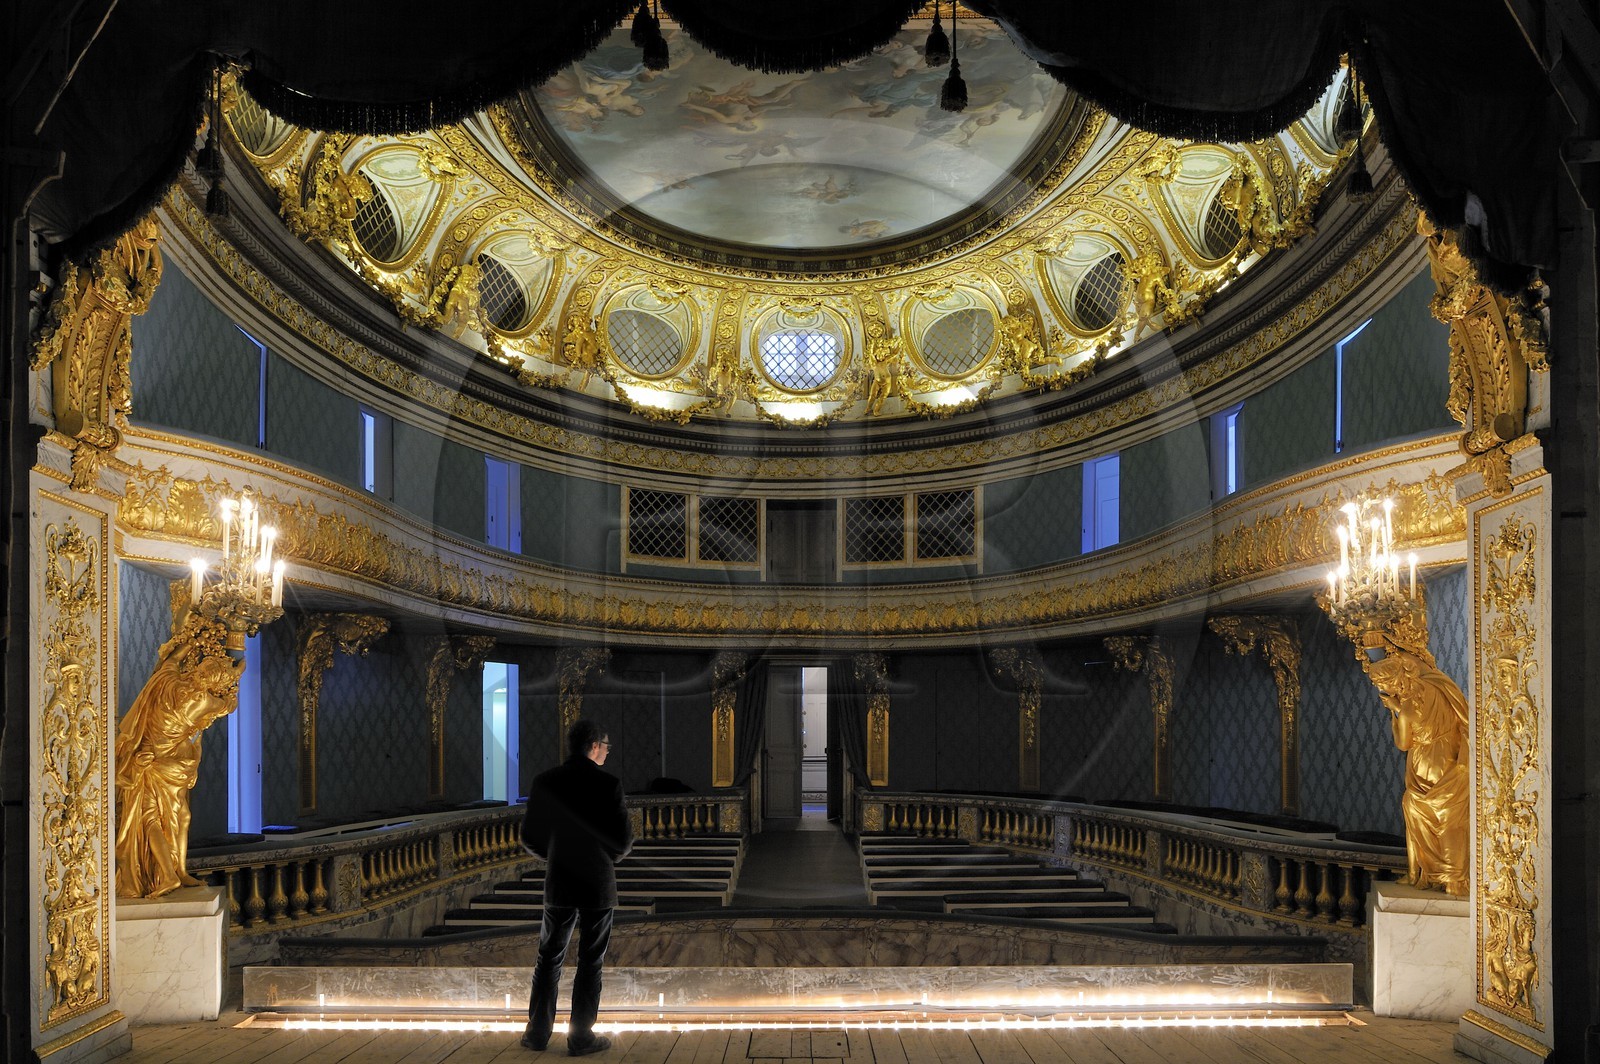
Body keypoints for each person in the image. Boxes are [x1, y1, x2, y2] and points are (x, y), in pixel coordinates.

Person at [521, 720, 633, 1055]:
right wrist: (601, 857)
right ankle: (581, 1037)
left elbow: (529, 836)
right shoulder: (608, 784)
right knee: (590, 961)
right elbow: (623, 841)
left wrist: (555, 855)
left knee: (548, 958)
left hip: (560, 880)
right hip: (597, 882)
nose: (607, 753)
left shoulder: (545, 782)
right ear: (595, 745)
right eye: (607, 747)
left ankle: (538, 1034)